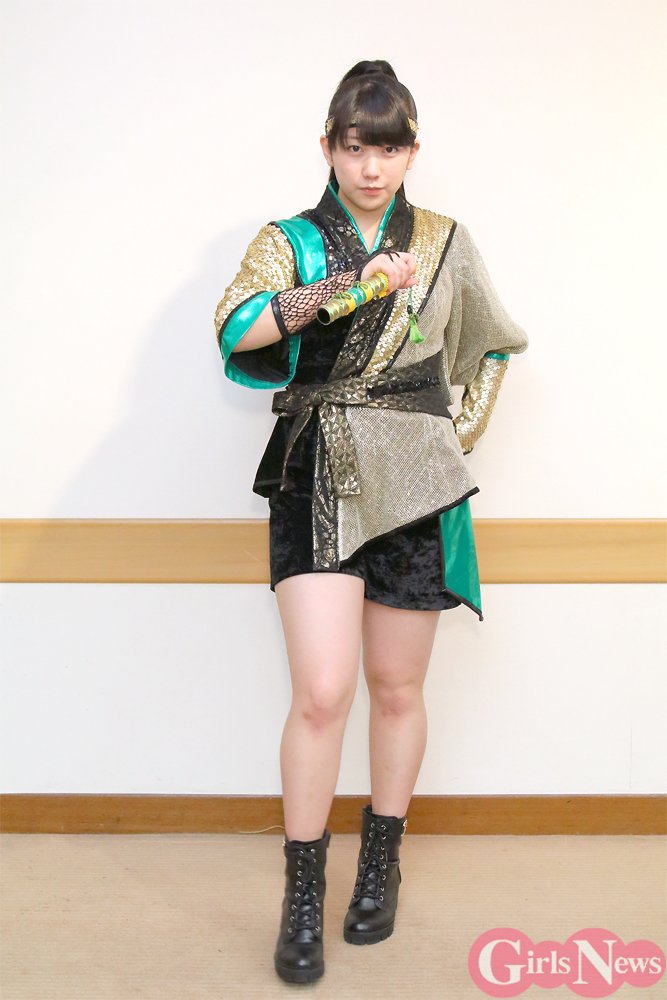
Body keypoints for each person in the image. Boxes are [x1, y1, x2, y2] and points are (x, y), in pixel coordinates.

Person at [213, 59, 529, 984]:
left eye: (388, 150)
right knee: (322, 691)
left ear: (411, 151)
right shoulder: (289, 241)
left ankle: (380, 863)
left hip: (415, 484)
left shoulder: (442, 240)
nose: (371, 168)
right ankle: (302, 894)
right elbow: (236, 328)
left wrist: (451, 436)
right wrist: (352, 287)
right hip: (315, 469)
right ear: (328, 146)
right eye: (356, 148)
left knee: (397, 686)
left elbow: (494, 345)